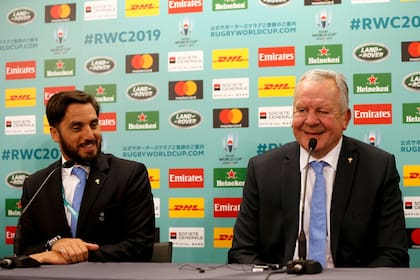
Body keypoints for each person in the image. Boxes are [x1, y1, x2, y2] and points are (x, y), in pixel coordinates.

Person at [228, 69, 409, 268]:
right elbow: (241, 253)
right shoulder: (262, 169)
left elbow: (393, 253)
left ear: (345, 118)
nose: (311, 121)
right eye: (302, 110)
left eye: (322, 111)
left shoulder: (378, 168)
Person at [16, 90, 155, 264]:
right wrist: (55, 244)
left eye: (94, 124)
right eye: (77, 127)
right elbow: (23, 249)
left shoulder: (129, 174)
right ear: (55, 134)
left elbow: (141, 246)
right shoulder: (36, 183)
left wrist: (78, 256)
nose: (90, 135)